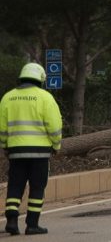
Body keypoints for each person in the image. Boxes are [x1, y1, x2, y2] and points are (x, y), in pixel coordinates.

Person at [0, 63, 62, 235]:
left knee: (15, 185)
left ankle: (11, 219)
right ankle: (32, 225)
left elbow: (2, 127)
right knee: (37, 187)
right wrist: (56, 145)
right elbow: (55, 125)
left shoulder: (8, 97)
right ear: (40, 79)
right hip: (40, 152)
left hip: (16, 151)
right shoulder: (45, 97)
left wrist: (5, 145)